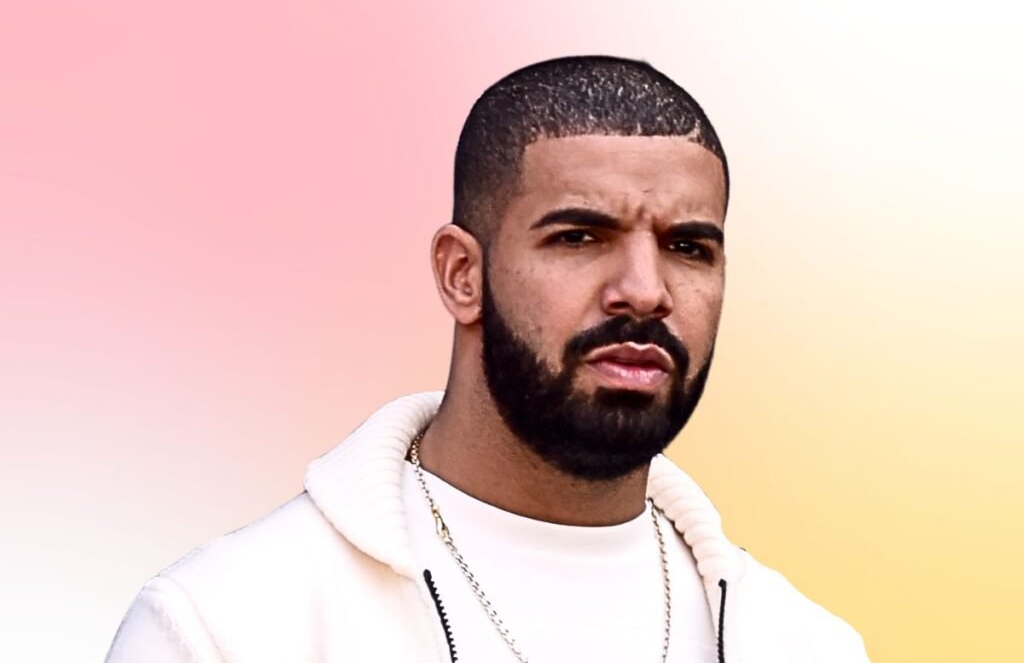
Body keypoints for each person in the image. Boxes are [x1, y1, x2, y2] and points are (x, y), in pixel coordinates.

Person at [106, 56, 870, 662]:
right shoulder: (230, 626)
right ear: (461, 274)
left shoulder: (801, 644)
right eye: (579, 236)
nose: (645, 290)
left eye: (688, 247)